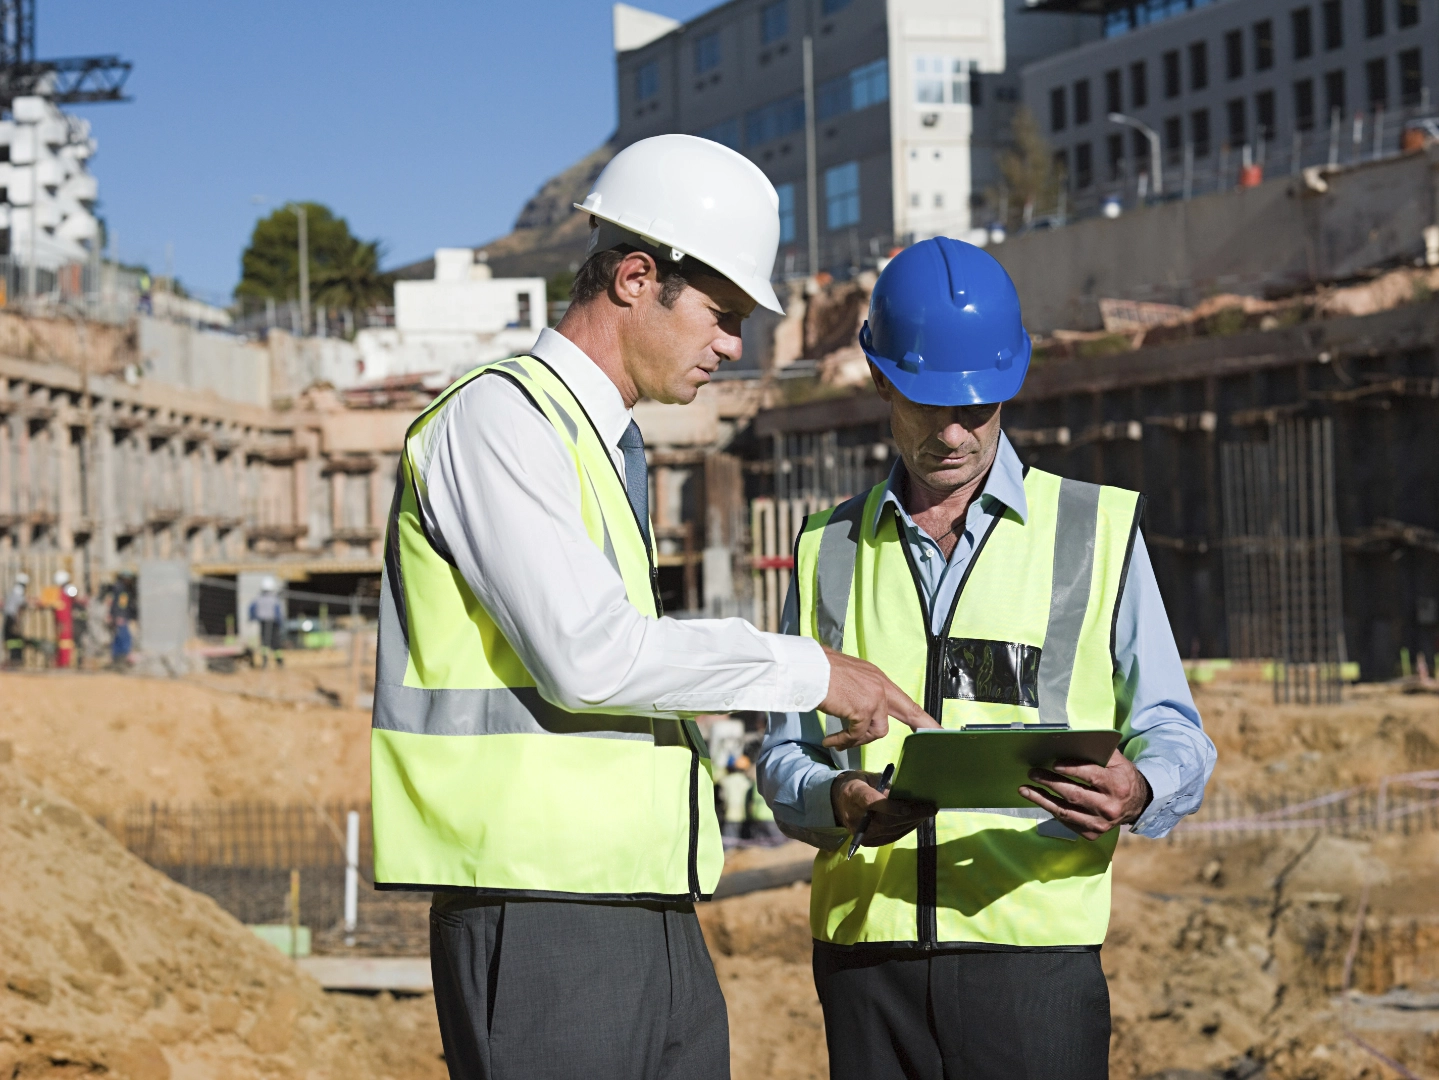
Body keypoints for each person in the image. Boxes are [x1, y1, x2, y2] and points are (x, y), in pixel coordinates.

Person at [370, 134, 933, 1080]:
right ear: (636, 277)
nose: (732, 345)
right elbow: (589, 658)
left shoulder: (599, 443)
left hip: (642, 900)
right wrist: (808, 669)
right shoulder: (499, 420)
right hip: (541, 907)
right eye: (721, 314)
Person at [757, 238, 1217, 1080]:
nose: (957, 432)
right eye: (932, 405)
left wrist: (1141, 787)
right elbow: (781, 754)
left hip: (1032, 955)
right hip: (868, 965)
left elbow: (1170, 727)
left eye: (979, 405)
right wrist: (837, 798)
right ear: (879, 376)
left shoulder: (1092, 530)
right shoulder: (827, 548)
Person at [249, 577, 284, 668]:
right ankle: (279, 662)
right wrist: (280, 623)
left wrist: (252, 618)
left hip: (263, 622)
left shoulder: (258, 598)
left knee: (264, 642)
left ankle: (265, 661)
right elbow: (278, 612)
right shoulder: (275, 599)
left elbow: (252, 609)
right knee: (275, 642)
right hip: (273, 623)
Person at [718, 755, 754, 842]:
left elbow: (721, 797)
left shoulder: (725, 780)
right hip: (744, 815)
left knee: (729, 841)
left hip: (729, 814)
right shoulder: (747, 782)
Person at [51, 571, 75, 669]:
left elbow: (74, 594)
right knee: (61, 642)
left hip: (65, 620)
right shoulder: (59, 591)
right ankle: (60, 661)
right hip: (60, 619)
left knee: (65, 642)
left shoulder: (68, 589)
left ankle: (64, 662)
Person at [4, 573, 28, 668]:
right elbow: (18, 606)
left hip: (9, 617)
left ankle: (13, 658)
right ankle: (15, 659)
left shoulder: (14, 589)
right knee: (15, 639)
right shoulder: (19, 590)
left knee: (11, 640)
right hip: (12, 618)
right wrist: (17, 621)